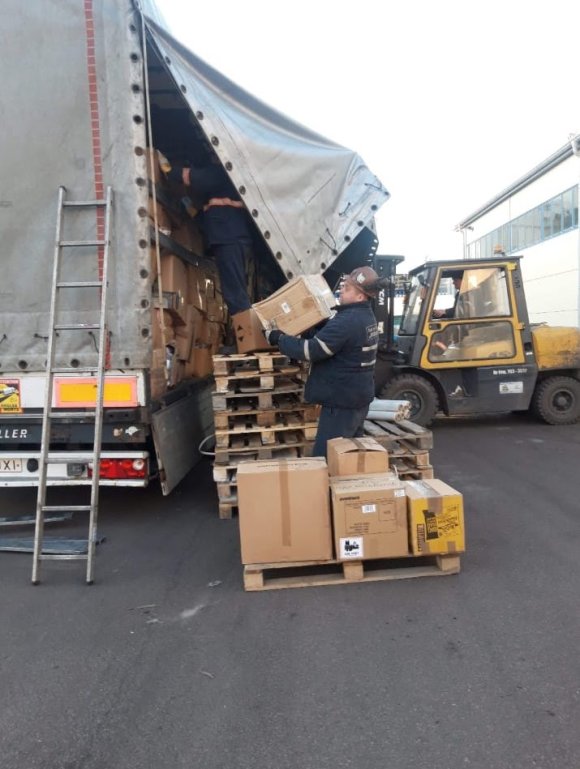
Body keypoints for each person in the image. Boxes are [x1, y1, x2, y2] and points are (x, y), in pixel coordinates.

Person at [265, 266, 380, 458]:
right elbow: (341, 341)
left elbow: (312, 351)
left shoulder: (347, 321)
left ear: (361, 296)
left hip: (341, 403)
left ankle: (325, 487)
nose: (342, 290)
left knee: (327, 458)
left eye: (348, 288)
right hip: (358, 399)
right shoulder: (365, 316)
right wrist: (319, 325)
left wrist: (279, 339)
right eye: (344, 286)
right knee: (349, 456)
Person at [167, 160, 252, 316]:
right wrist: (190, 208)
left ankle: (248, 334)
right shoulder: (223, 187)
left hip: (228, 237)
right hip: (228, 237)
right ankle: (247, 331)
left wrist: (169, 169)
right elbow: (205, 217)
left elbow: (194, 178)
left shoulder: (223, 172)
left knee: (235, 294)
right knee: (234, 290)